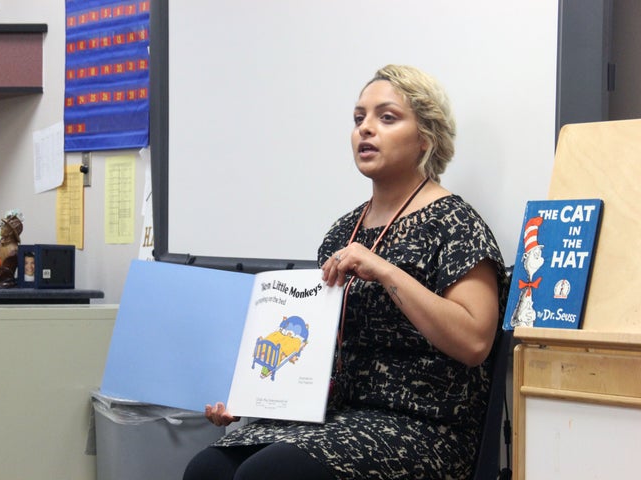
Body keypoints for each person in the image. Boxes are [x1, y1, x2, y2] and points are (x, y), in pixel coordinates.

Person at [183, 64, 509, 480]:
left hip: (423, 426)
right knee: (207, 469)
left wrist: (386, 271)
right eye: (359, 119)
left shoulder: (456, 223)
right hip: (335, 414)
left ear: (426, 137)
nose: (365, 129)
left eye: (386, 117)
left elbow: (475, 341)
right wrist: (256, 396)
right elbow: (314, 347)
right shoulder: (343, 231)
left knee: (270, 474)